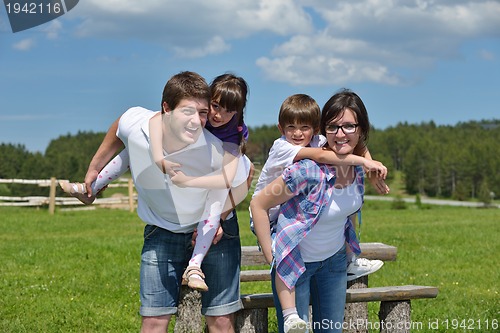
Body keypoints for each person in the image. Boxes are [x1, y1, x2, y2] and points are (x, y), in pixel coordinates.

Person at [78, 71, 251, 333]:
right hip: (162, 231)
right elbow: (119, 126)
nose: (209, 118)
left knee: (221, 319)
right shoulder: (144, 126)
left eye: (203, 112)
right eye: (210, 108)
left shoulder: (224, 144)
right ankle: (96, 185)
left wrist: (222, 217)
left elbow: (242, 177)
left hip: (211, 231)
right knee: (154, 319)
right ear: (166, 110)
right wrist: (94, 168)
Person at [250, 89, 386, 333]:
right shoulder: (306, 168)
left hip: (334, 263)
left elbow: (355, 150)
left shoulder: (355, 169)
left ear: (361, 129)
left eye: (348, 126)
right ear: (324, 129)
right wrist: (273, 258)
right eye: (333, 127)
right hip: (296, 263)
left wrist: (369, 164)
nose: (340, 134)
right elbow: (258, 204)